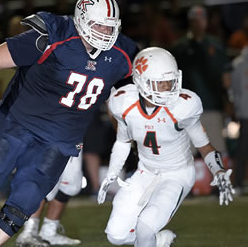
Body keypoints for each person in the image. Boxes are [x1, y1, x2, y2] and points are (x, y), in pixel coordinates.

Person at [0, 0, 139, 247]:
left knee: (26, 201)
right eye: (98, 24)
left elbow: (130, 92)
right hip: (15, 124)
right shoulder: (51, 36)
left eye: (110, 26)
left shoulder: (123, 54)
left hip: (58, 140)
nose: (104, 31)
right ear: (80, 19)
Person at [98, 47, 235, 247]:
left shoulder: (182, 106)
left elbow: (204, 146)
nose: (166, 88)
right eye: (160, 82)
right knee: (116, 236)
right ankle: (160, 241)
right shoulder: (124, 102)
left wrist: (219, 171)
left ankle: (151, 239)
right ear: (141, 81)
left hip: (177, 174)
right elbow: (122, 140)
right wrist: (112, 171)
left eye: (170, 81)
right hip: (145, 171)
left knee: (145, 228)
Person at [171, 5, 230, 158]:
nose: (199, 23)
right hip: (188, 110)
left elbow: (226, 79)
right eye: (195, 20)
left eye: (202, 19)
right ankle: (191, 183)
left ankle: (220, 182)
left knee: (216, 151)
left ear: (206, 21)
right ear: (190, 22)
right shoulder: (179, 48)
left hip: (212, 106)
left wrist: (229, 102)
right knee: (187, 154)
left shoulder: (216, 45)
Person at [16, 152, 83, 247]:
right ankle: (29, 232)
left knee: (70, 185)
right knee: (44, 181)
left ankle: (49, 232)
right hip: (51, 140)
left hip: (75, 141)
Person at [231, 46, 248, 195]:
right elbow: (234, 90)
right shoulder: (239, 64)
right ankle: (238, 183)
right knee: (242, 150)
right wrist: (236, 109)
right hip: (245, 114)